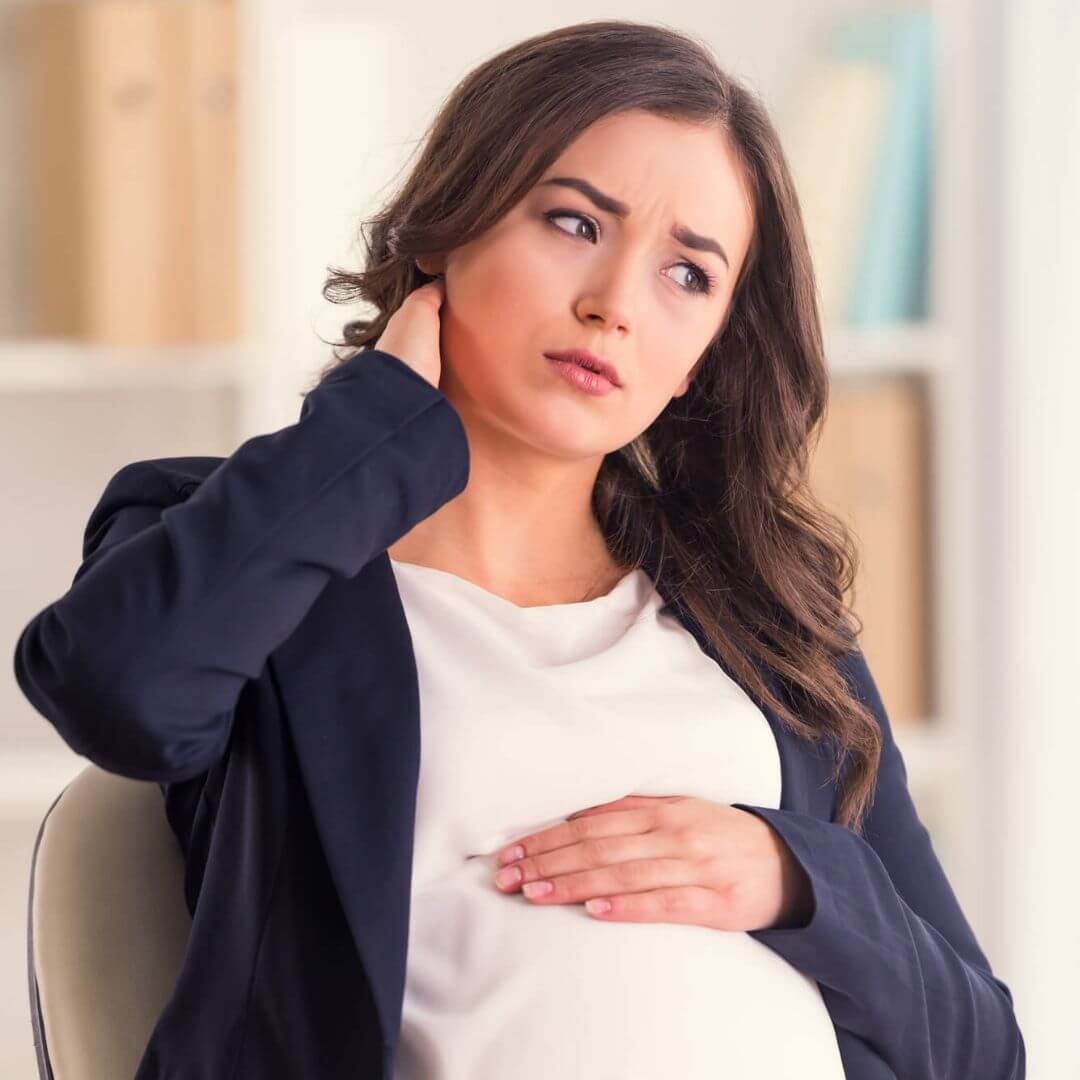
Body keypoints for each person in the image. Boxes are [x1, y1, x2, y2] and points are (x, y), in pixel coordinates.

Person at [14, 18, 1024, 1080]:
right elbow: (114, 691)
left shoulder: (767, 618)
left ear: (702, 358)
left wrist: (795, 876)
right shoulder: (263, 541)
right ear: (446, 230)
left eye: (688, 277)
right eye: (575, 223)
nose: (615, 305)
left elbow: (982, 1052)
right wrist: (374, 431)